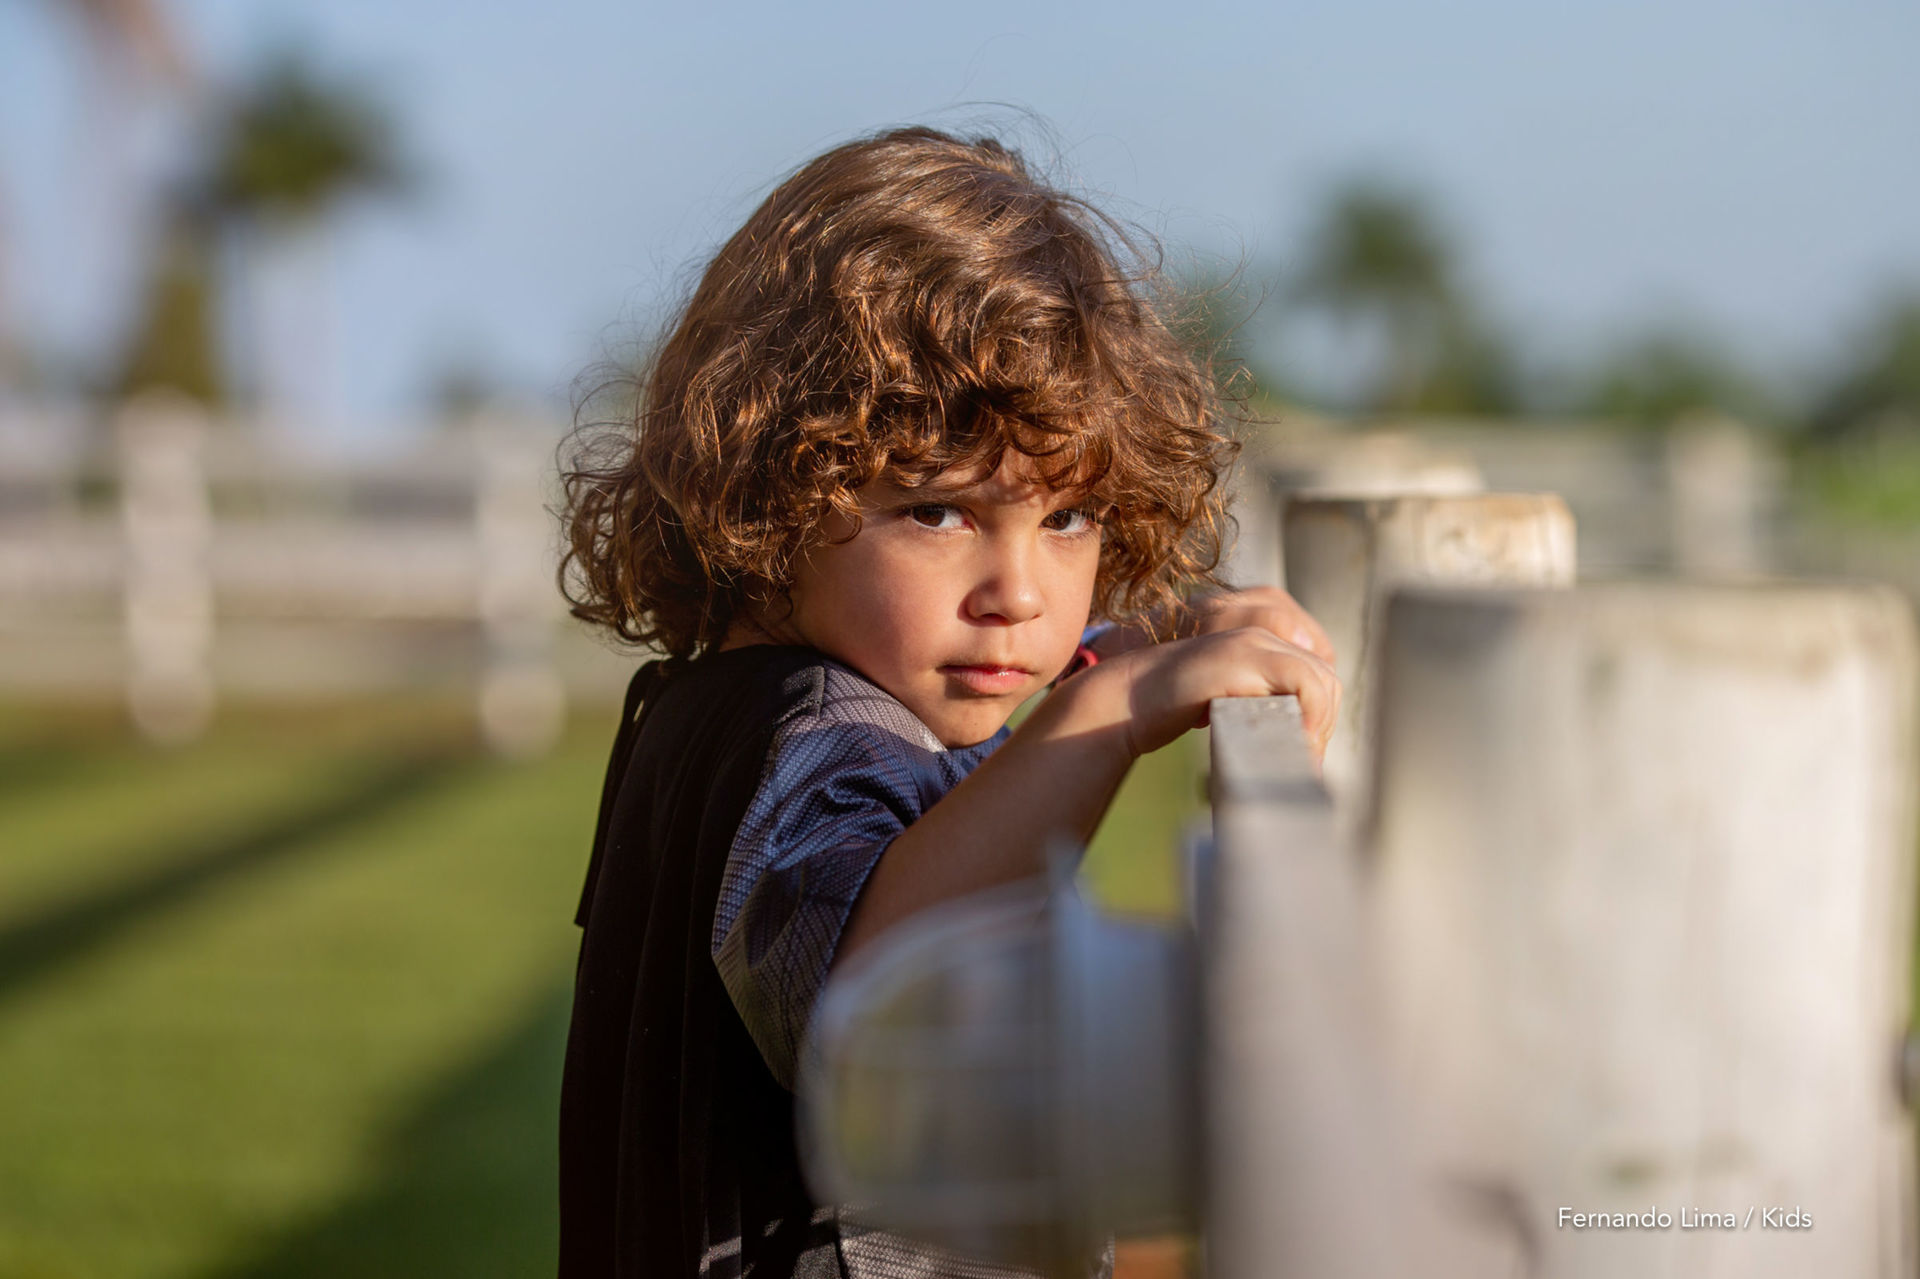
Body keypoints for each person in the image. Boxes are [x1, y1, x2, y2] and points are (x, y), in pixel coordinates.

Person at [555, 126, 1339, 1279]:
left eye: (1065, 519)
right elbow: (878, 991)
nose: (1018, 595)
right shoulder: (814, 729)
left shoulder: (711, 712)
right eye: (937, 512)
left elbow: (942, 811)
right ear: (772, 489)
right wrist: (1113, 712)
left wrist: (1133, 650)